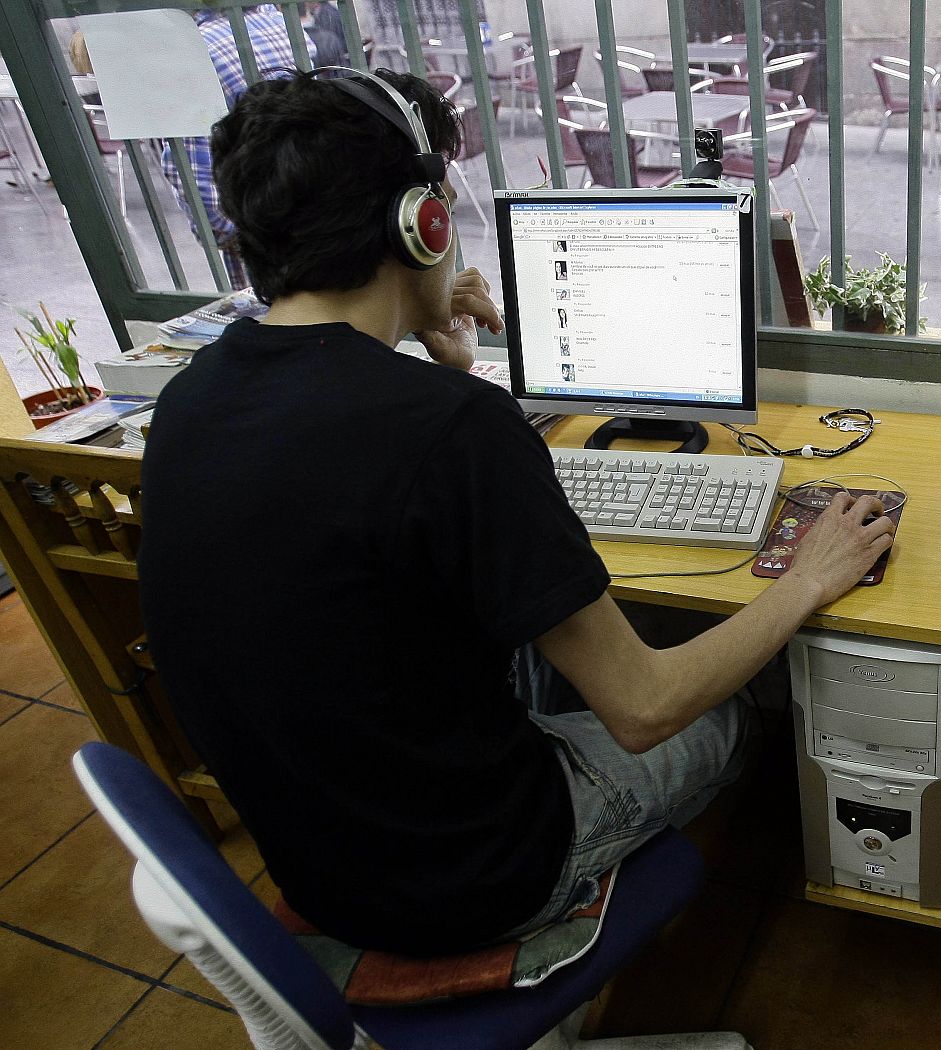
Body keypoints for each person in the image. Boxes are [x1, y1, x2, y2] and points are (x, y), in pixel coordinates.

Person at [138, 68, 894, 956]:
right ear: (420, 224)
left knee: (538, 664)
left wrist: (445, 367)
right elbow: (646, 709)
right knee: (727, 720)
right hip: (476, 879)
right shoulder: (451, 432)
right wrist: (807, 578)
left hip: (320, 870)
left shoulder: (191, 399)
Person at [161, 6, 315, 289]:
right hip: (317, 213)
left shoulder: (195, 49)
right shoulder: (280, 21)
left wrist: (239, 234)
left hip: (262, 236)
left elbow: (189, 169)